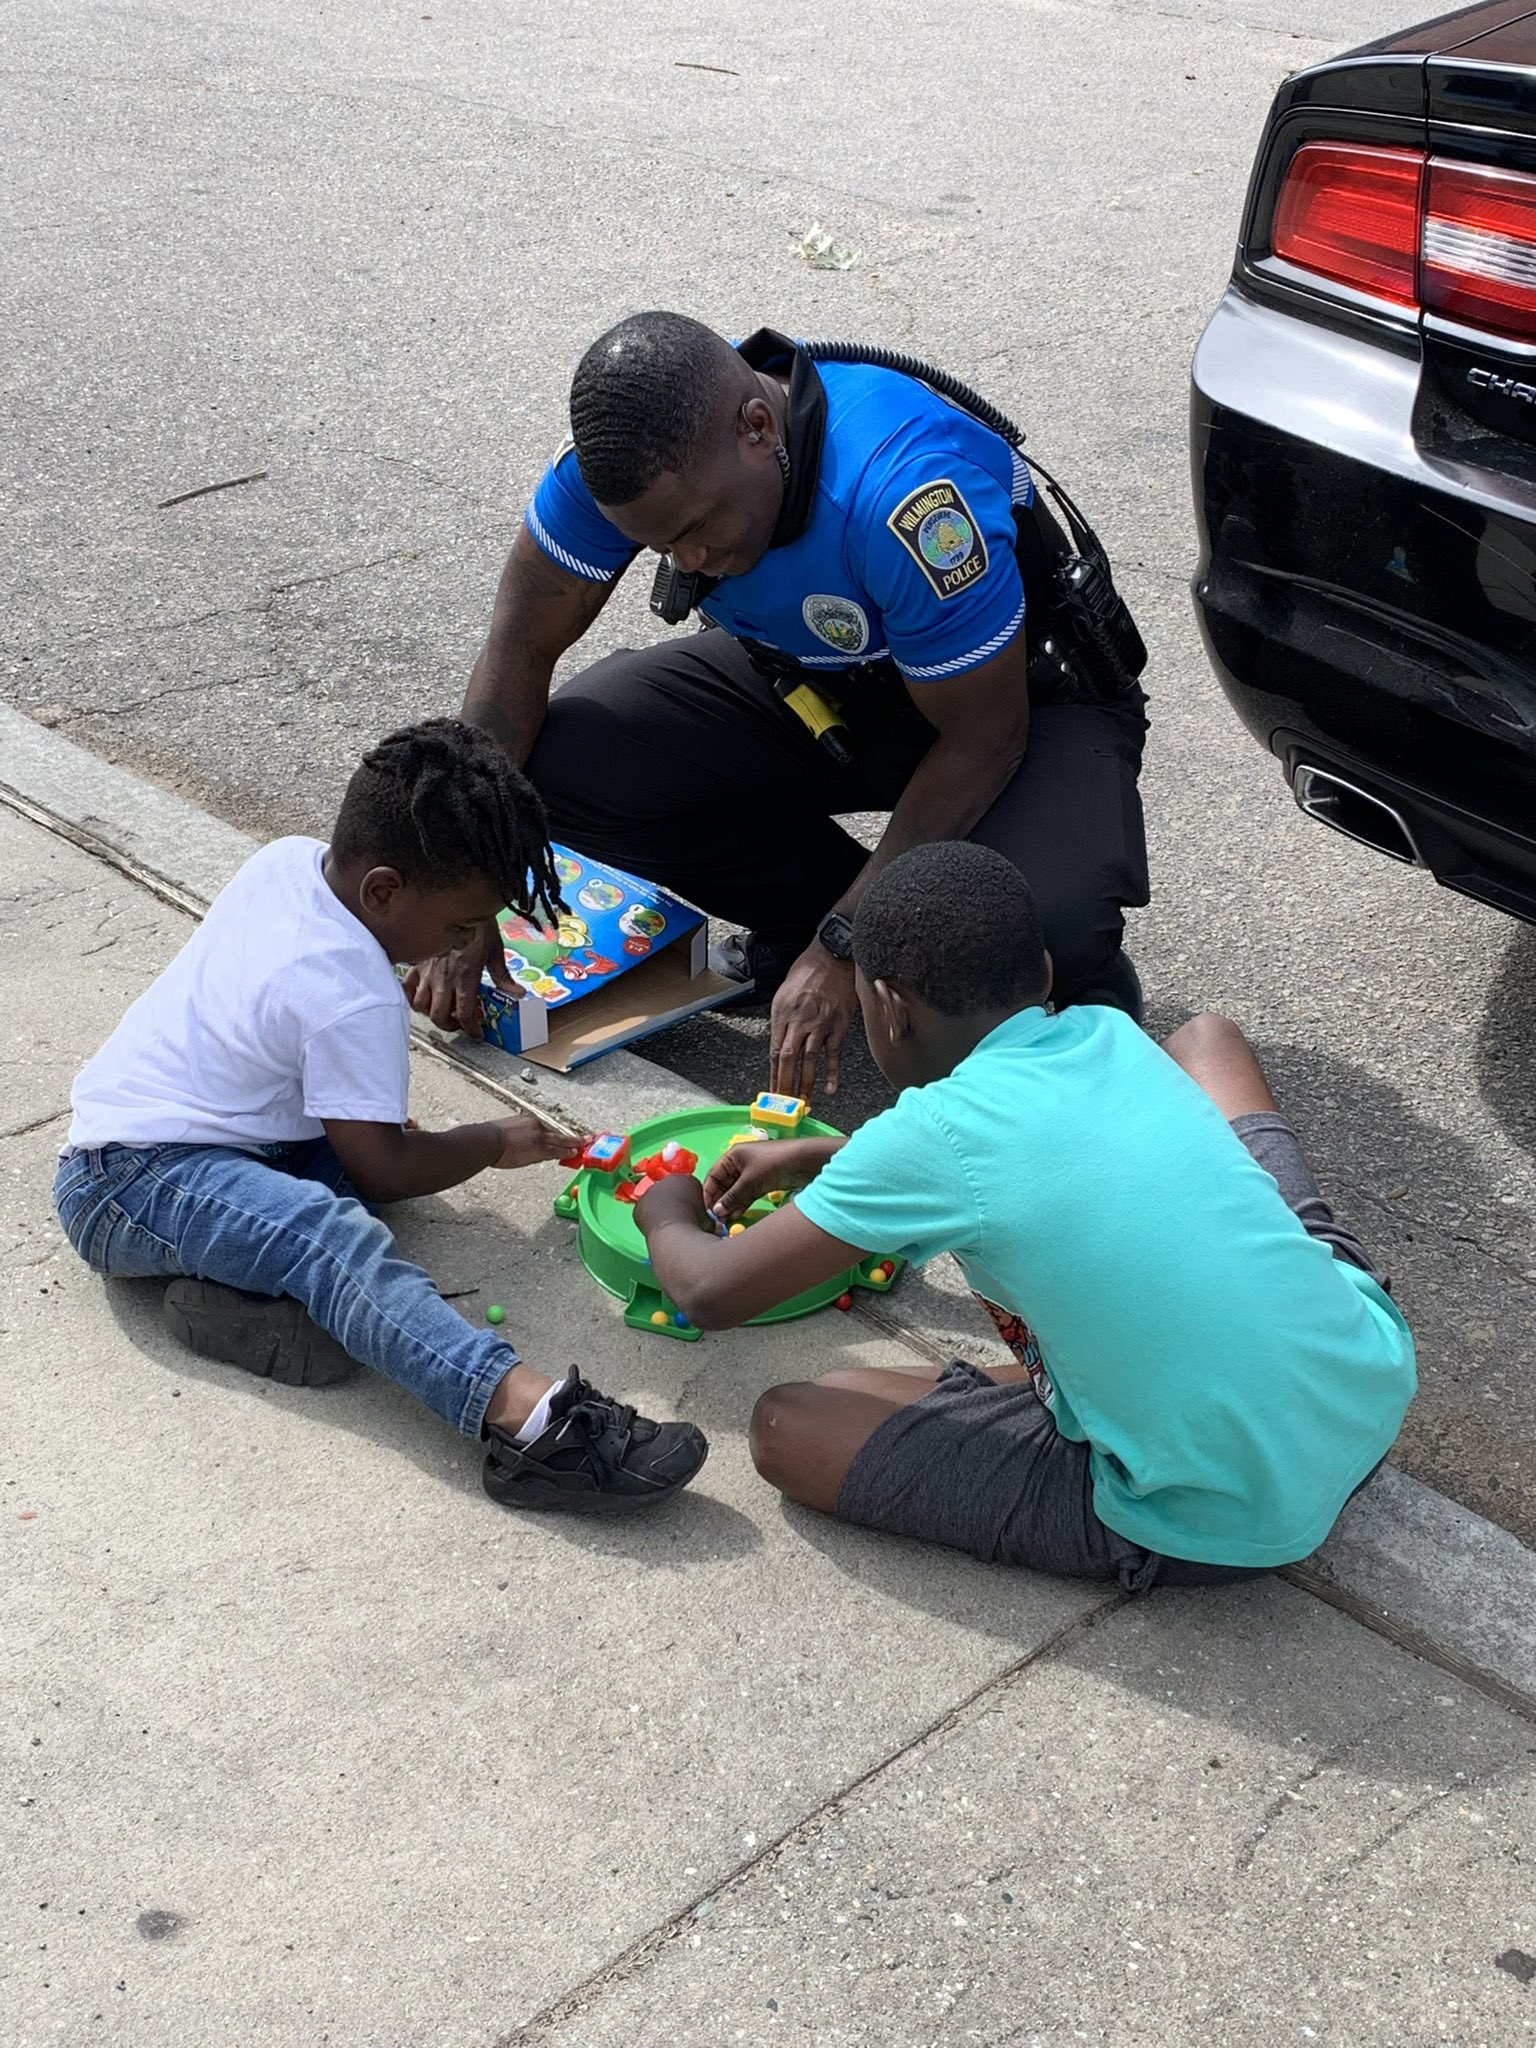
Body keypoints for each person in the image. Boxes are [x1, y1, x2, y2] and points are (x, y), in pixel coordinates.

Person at [632, 842, 1415, 1587]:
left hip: (1217, 1515)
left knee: (786, 1425)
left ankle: (1085, 1417)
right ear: (1040, 972)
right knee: (1204, 1042)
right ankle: (1088, 1378)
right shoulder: (1103, 1030)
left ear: (890, 1009)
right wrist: (836, 1158)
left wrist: (665, 1207)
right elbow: (1017, 1159)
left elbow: (710, 1293)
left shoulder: (930, 1135)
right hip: (1366, 1387)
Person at [413, 311, 1149, 1099]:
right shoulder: (627, 467)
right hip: (818, 684)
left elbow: (984, 740)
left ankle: (1014, 971)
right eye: (661, 547)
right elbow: (519, 650)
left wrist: (846, 944)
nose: (687, 560)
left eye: (696, 530)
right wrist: (467, 883)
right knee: (564, 770)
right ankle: (832, 928)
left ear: (758, 426)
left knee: (1042, 927)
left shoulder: (903, 494)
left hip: (1018, 708)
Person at [53, 718, 708, 1516]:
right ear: (386, 892)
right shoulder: (353, 994)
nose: (467, 944)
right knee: (334, 1234)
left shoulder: (290, 859)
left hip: (209, 1144)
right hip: (129, 1181)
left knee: (340, 1204)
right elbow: (383, 1167)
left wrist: (460, 933)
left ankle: (237, 1308)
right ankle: (532, 1423)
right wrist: (492, 1141)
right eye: (461, 928)